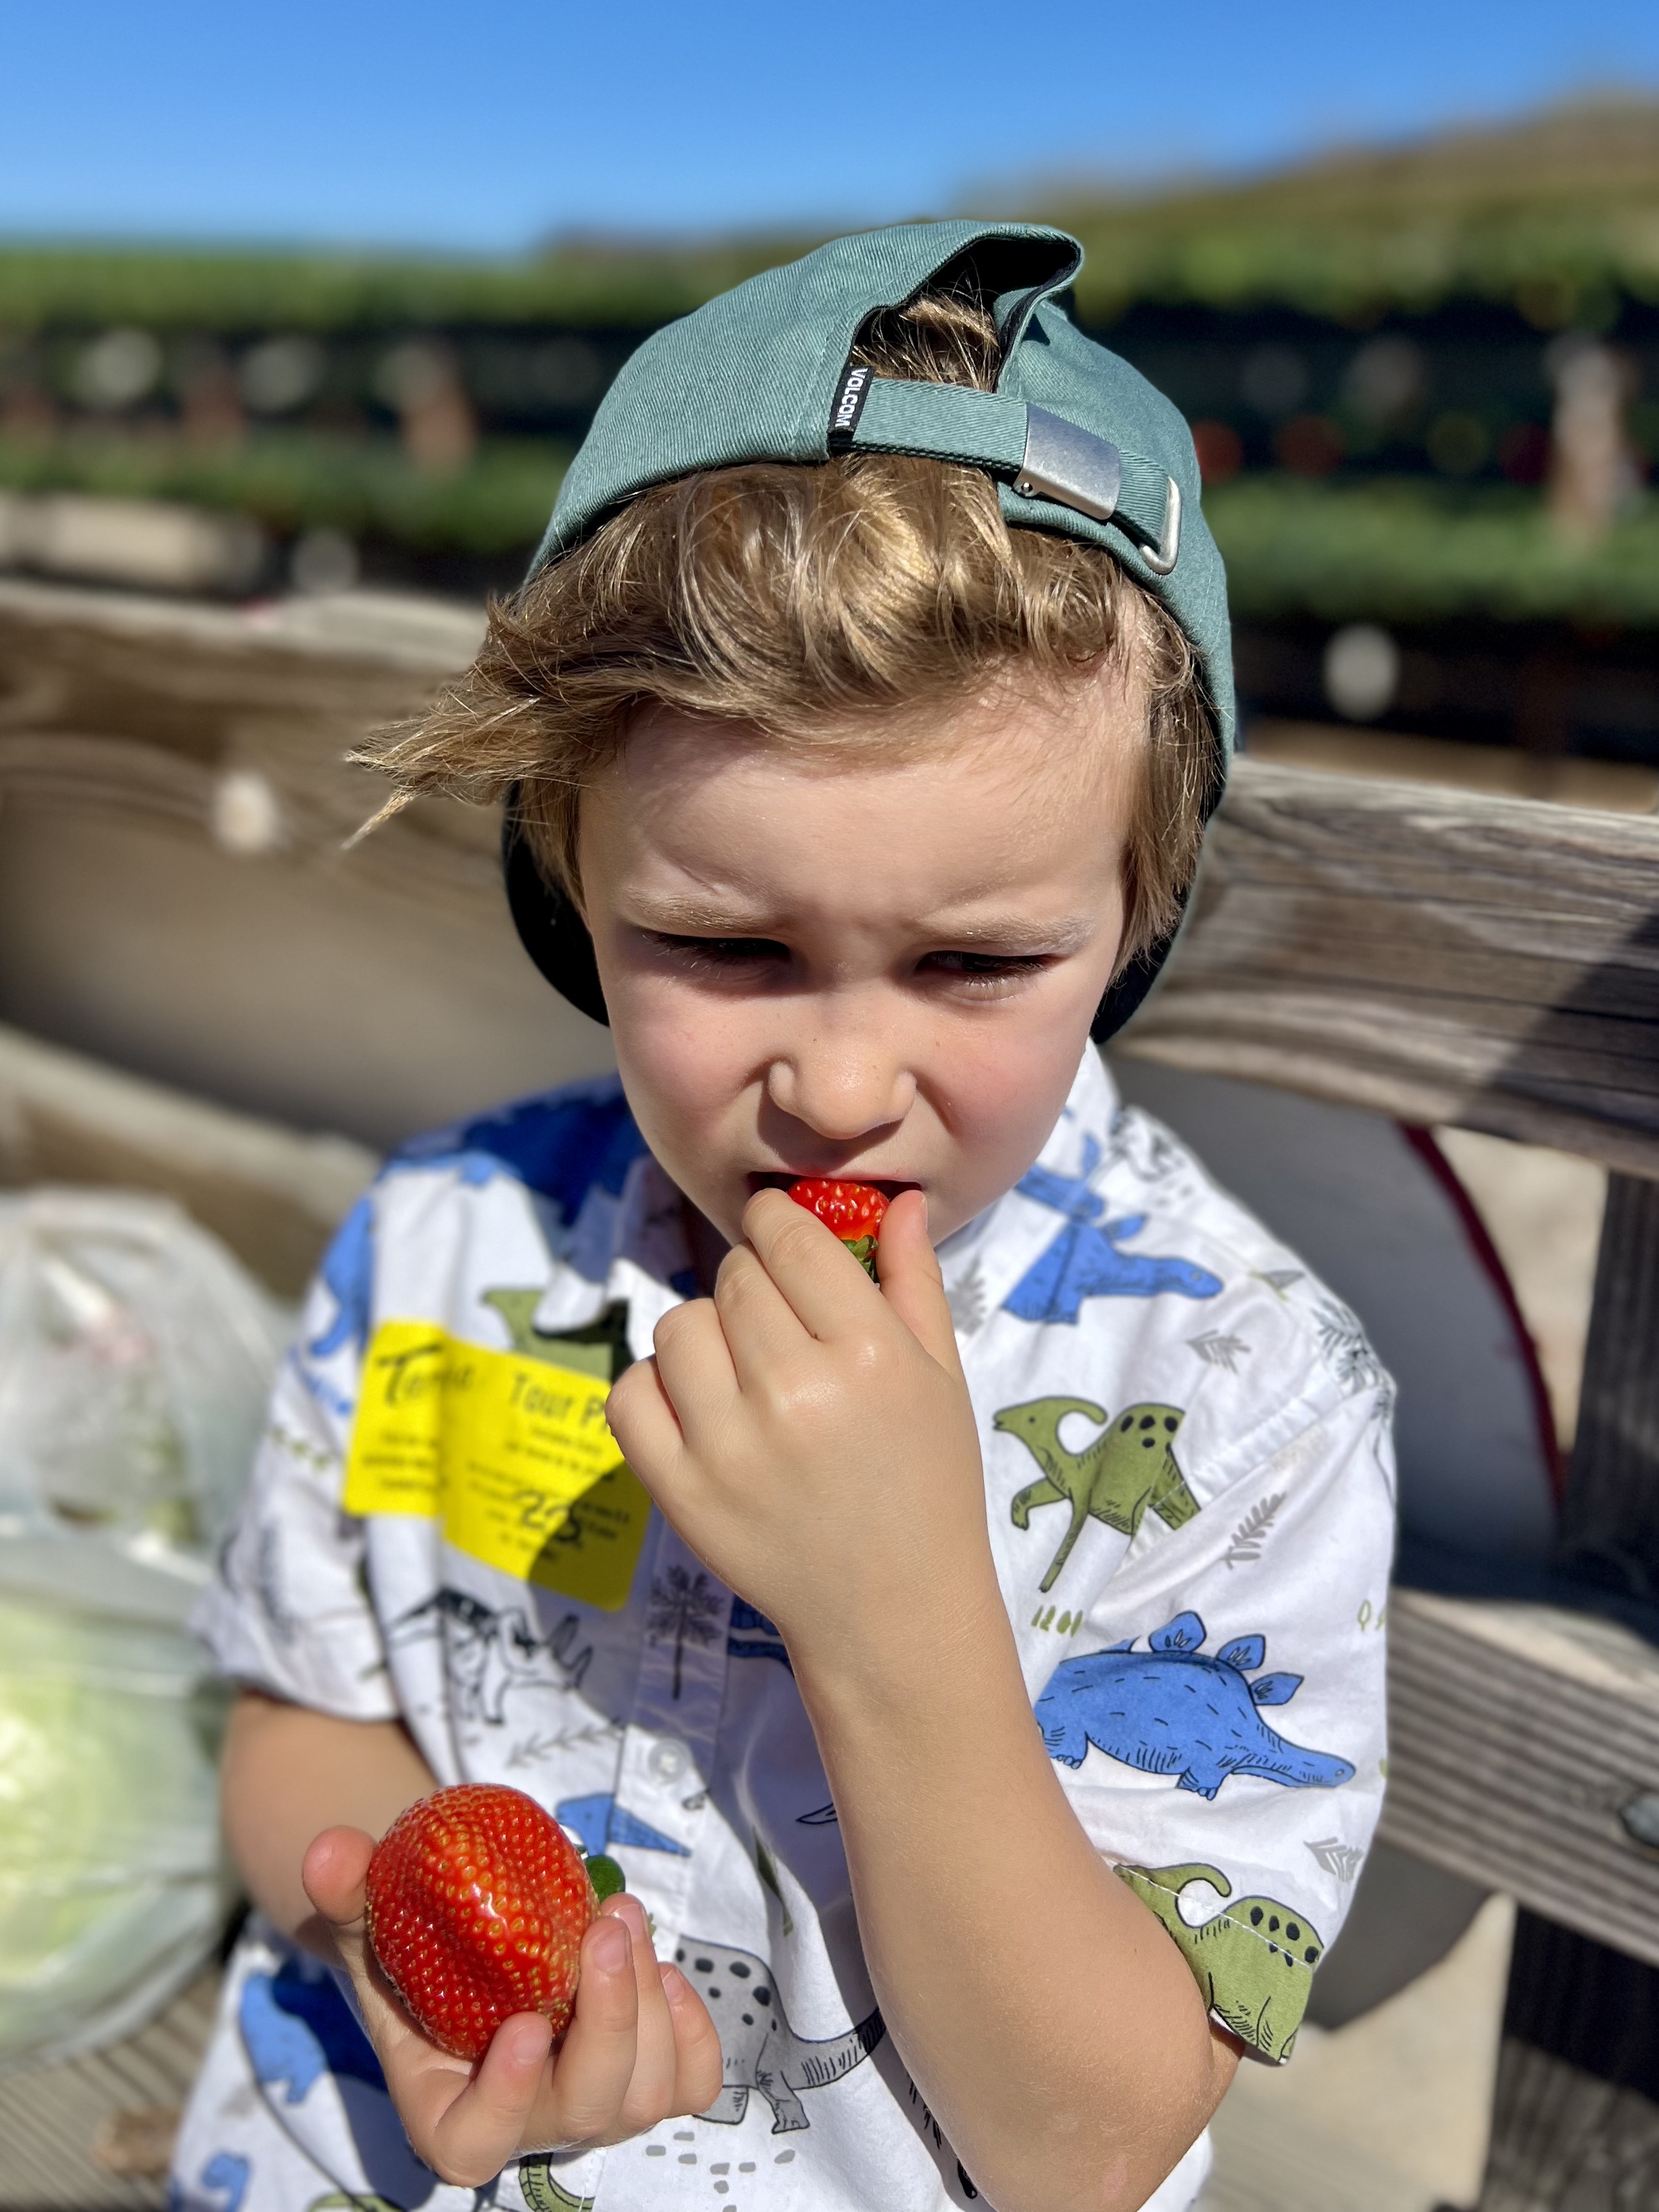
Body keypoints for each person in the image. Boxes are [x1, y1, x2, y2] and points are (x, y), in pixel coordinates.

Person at [170, 221, 1391, 2212]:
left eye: (978, 961)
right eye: (725, 942)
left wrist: (898, 1610)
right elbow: (304, 1731)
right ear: (567, 888)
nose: (835, 1084)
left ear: (1134, 925)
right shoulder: (451, 1242)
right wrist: (420, 1947)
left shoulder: (1250, 1392)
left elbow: (1088, 2140)